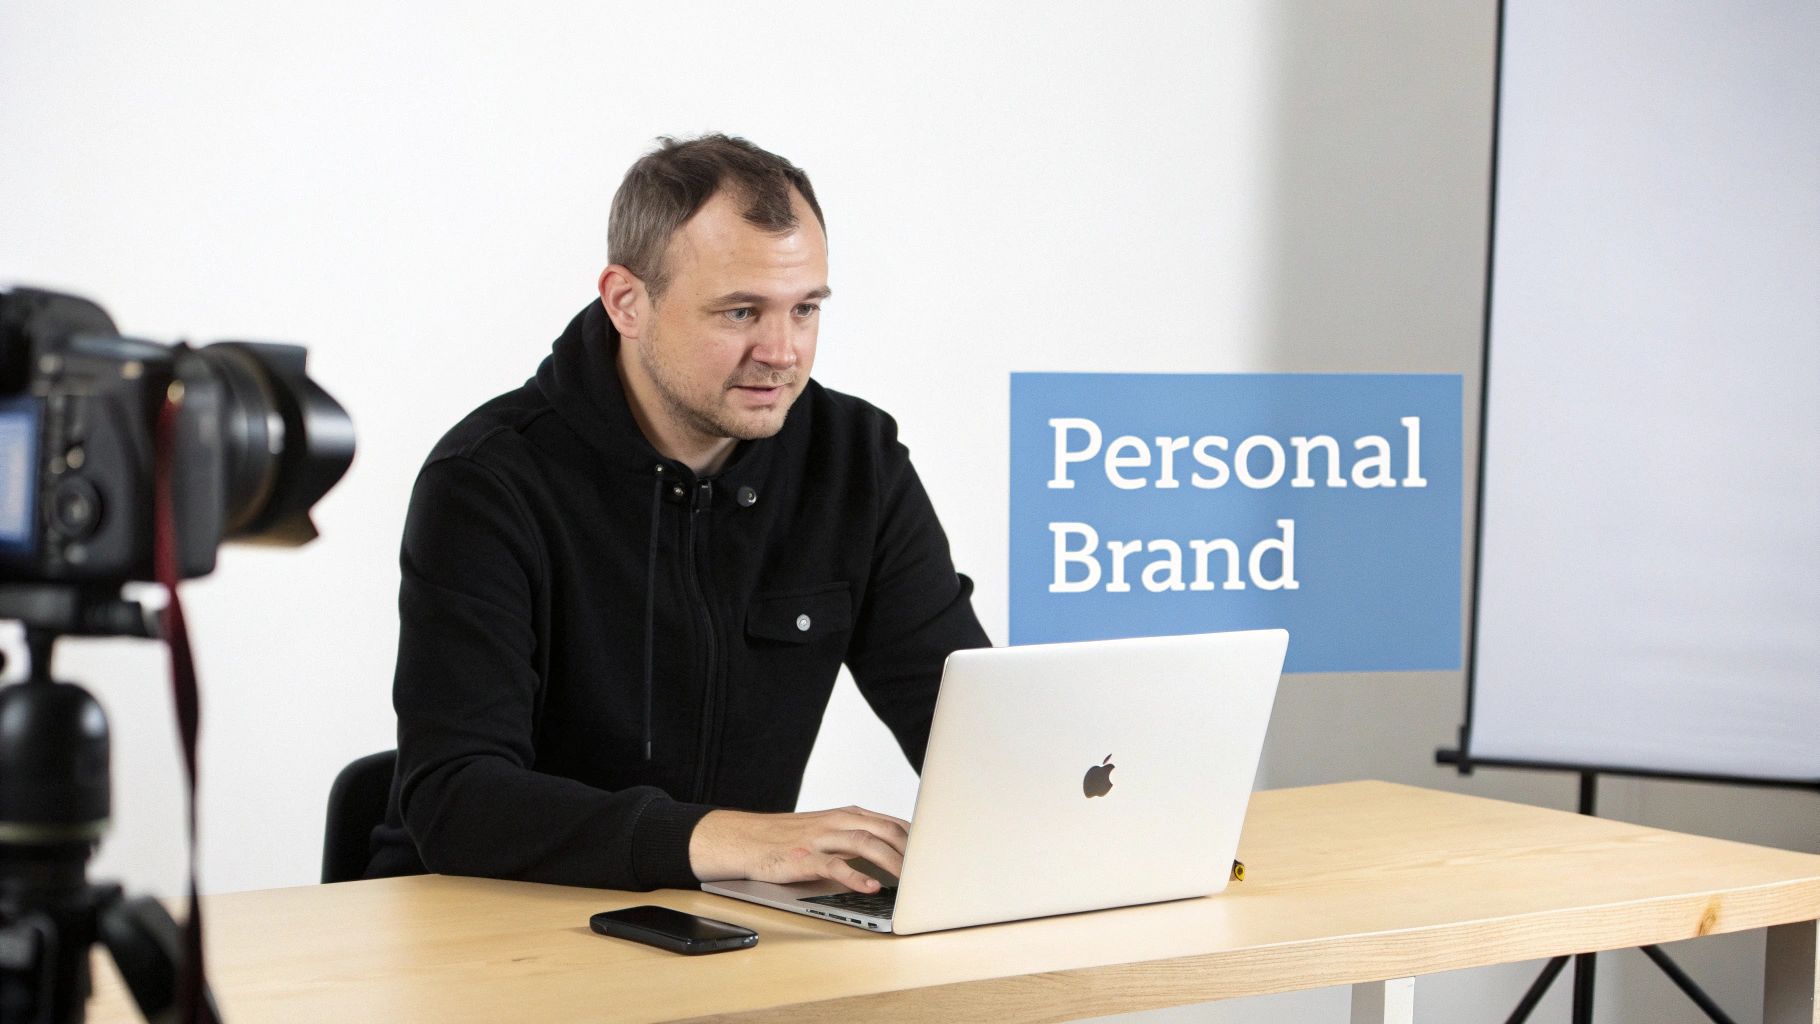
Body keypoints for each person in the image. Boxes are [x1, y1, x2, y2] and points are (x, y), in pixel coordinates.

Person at [366, 134, 990, 895]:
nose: (783, 351)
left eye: (805, 309)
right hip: (486, 920)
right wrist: (729, 838)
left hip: (725, 925)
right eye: (739, 312)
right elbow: (455, 798)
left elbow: (966, 731)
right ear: (627, 302)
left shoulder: (857, 461)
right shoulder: (490, 480)